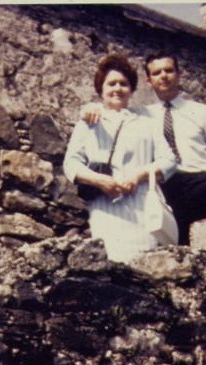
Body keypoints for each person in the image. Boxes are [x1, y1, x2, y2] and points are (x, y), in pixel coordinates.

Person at [81, 52, 206, 250]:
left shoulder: (202, 111)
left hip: (199, 183)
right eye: (157, 72)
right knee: (177, 249)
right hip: (165, 186)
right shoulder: (141, 114)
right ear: (149, 81)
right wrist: (91, 107)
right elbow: (114, 107)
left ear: (178, 75)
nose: (164, 76)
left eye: (169, 70)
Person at [63, 55, 176, 263]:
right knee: (113, 264)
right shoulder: (89, 121)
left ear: (132, 89)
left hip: (141, 206)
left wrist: (138, 176)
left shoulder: (147, 122)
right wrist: (99, 180)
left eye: (123, 84)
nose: (117, 89)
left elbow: (169, 160)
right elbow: (71, 163)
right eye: (111, 83)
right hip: (105, 208)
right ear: (101, 88)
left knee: (144, 267)